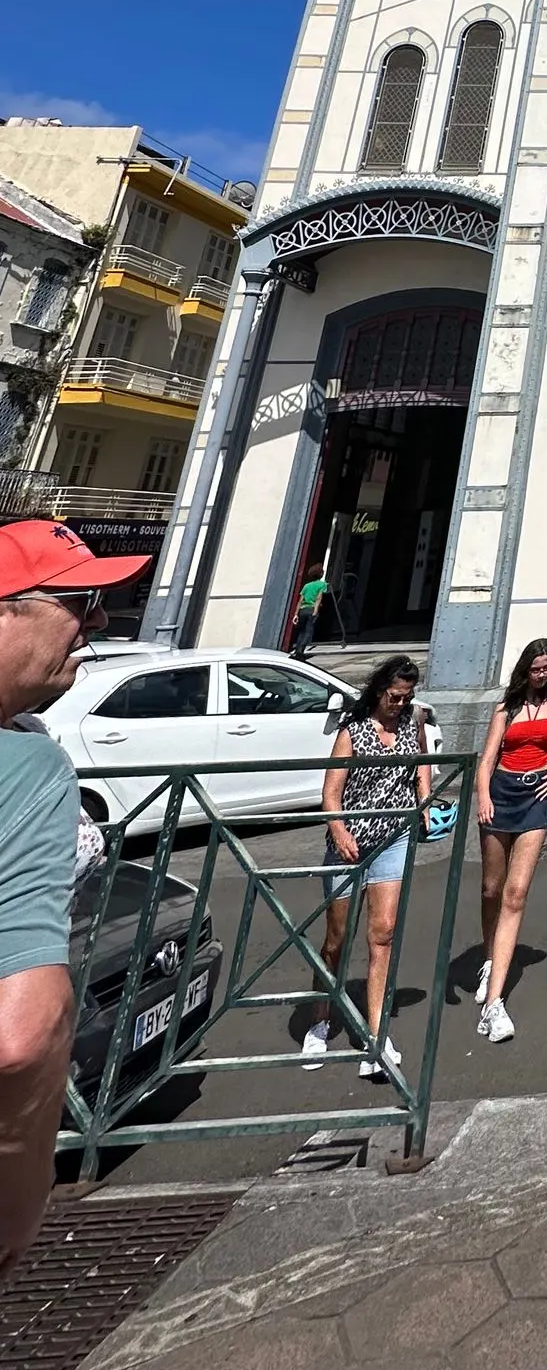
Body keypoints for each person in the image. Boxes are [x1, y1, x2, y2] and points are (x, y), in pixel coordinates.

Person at [0, 521, 150, 1280]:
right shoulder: (28, 767)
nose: (96, 627)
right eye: (79, 603)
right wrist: (21, 1202)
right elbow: (23, 1033)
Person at [305, 655, 435, 1079]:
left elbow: (420, 767)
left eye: (406, 697)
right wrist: (339, 831)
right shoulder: (352, 730)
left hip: (393, 838)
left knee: (383, 934)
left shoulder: (411, 723)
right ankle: (320, 1020)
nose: (400, 704)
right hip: (349, 843)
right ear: (379, 690)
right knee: (336, 941)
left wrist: (424, 801)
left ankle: (377, 1035)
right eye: (395, 696)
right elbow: (331, 791)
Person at [472, 638, 547, 1045]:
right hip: (501, 795)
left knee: (516, 894)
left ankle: (494, 1003)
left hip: (537, 799)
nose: (541, 674)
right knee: (492, 888)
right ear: (525, 668)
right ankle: (490, 958)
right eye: (535, 668)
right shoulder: (505, 706)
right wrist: (484, 797)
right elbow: (487, 758)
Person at [291, 563, 331, 659]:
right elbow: (318, 598)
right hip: (311, 609)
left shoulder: (306, 586)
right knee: (308, 631)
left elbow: (300, 601)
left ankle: (297, 649)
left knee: (301, 631)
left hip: (303, 610)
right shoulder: (322, 585)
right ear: (321, 574)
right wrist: (315, 611)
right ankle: (300, 651)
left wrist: (296, 614)